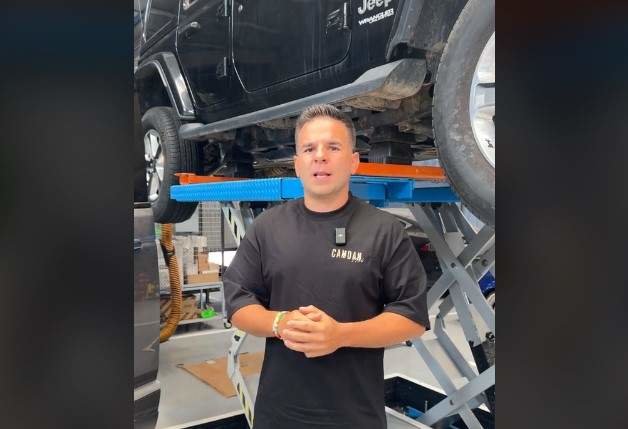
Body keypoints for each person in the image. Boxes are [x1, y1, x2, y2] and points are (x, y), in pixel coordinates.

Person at [224, 104, 429, 429]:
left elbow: (412, 317)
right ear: (297, 164)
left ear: (353, 161)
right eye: (309, 148)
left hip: (355, 417)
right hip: (278, 416)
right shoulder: (267, 227)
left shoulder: (384, 231)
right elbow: (237, 301)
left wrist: (340, 335)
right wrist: (281, 322)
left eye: (333, 147)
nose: (320, 156)